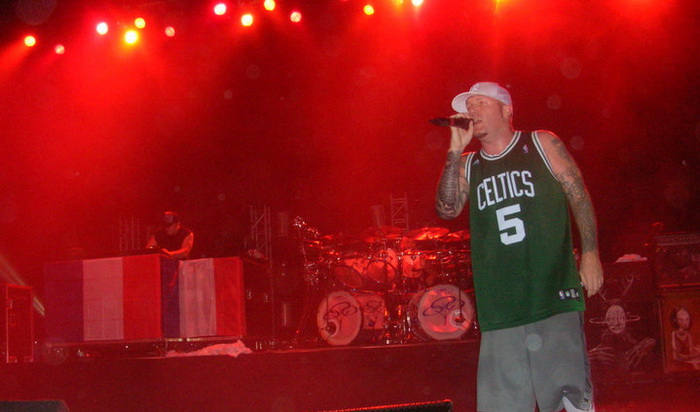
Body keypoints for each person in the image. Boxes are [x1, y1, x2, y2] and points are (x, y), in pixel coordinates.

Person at [435, 81, 604, 412]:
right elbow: (446, 209)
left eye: (481, 103)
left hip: (552, 292)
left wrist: (591, 253)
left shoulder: (540, 143)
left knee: (568, 399)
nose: (472, 111)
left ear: (507, 110)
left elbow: (579, 195)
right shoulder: (469, 164)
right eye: (469, 106)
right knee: (503, 405)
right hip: (500, 305)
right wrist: (454, 150)